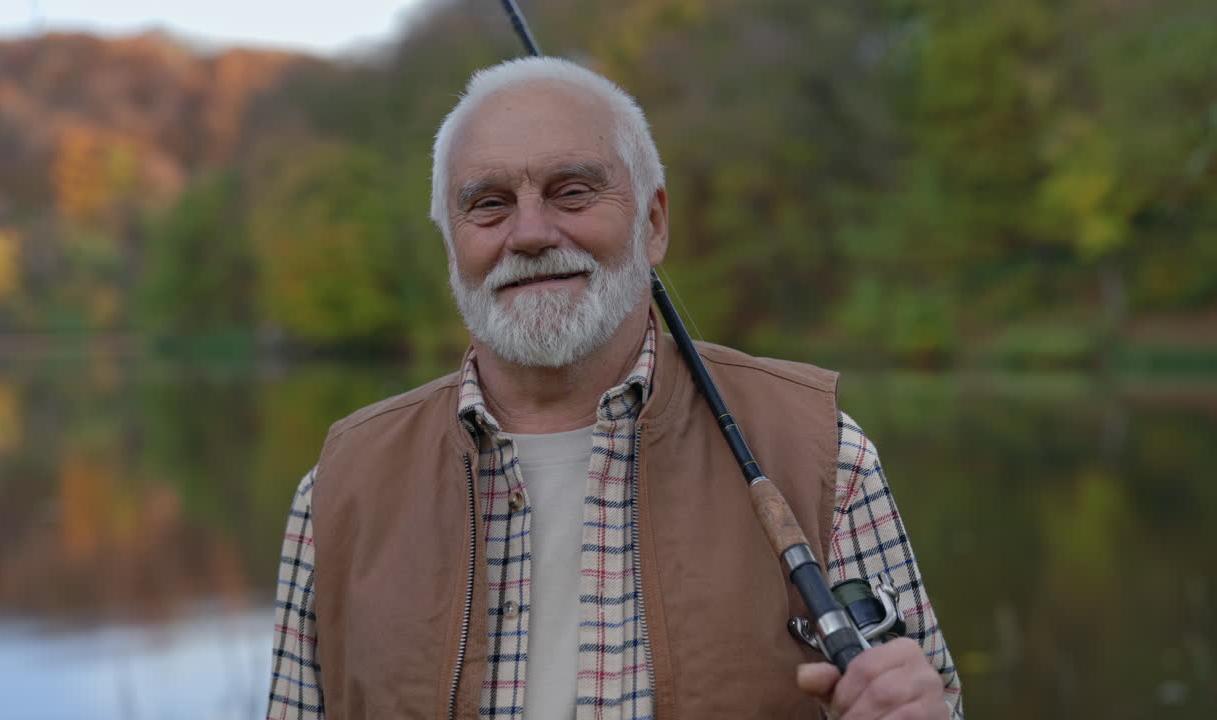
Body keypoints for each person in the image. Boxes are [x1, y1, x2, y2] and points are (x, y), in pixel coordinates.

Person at [267, 57, 963, 720]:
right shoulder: (336, 492)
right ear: (452, 243)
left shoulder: (826, 459)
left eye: (572, 191)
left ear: (653, 223)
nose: (531, 233)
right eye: (489, 204)